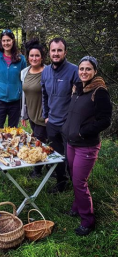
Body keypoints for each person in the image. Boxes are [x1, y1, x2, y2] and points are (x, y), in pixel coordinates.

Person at [62, 56, 112, 236]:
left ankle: (88, 220)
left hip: (87, 145)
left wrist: (83, 132)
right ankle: (77, 206)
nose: (84, 72)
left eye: (88, 69)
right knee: (73, 175)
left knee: (79, 182)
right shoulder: (77, 88)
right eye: (81, 68)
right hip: (71, 142)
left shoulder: (99, 92)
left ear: (95, 71)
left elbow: (105, 120)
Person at [41, 37, 80, 193]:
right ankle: (61, 182)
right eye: (53, 50)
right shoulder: (46, 72)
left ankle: (77, 186)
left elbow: (79, 100)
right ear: (49, 52)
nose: (56, 54)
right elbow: (44, 96)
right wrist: (46, 115)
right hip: (52, 122)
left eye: (59, 50)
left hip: (68, 123)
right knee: (56, 156)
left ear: (65, 52)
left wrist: (72, 121)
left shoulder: (74, 71)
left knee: (71, 158)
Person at [0, 29, 27, 129]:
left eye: (8, 40)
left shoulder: (21, 59)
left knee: (12, 131)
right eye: (4, 40)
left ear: (13, 41)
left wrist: (22, 97)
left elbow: (24, 79)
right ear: (1, 42)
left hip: (15, 101)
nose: (6, 43)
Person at [21, 38, 47, 178]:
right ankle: (51, 167)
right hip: (31, 114)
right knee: (42, 142)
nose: (34, 58)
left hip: (43, 115)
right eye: (32, 55)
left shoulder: (48, 72)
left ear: (42, 57)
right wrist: (23, 114)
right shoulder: (24, 72)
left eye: (37, 55)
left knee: (39, 142)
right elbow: (24, 95)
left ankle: (37, 171)